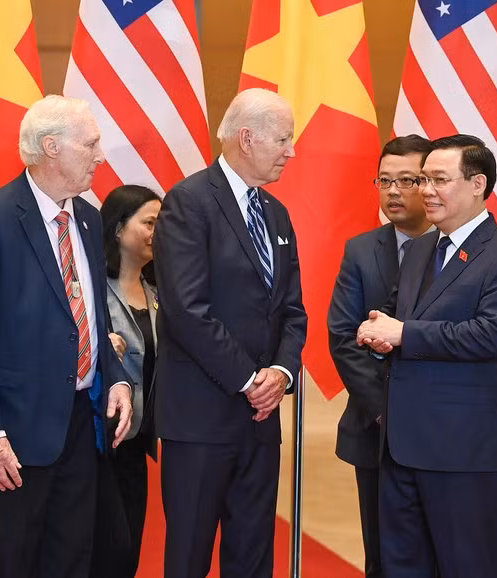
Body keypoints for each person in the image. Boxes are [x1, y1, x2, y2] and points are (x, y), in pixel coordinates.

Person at [0, 95, 132, 578]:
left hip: (78, 425)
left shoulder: (89, 219)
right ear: (52, 147)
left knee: (71, 559)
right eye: (90, 144)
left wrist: (114, 379)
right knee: (11, 562)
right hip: (12, 431)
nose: (100, 155)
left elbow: (94, 318)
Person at [357, 134, 497, 577]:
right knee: (401, 566)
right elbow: (399, 317)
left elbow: (490, 336)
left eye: (439, 179)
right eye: (424, 180)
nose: (426, 191)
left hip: (463, 453)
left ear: (477, 184)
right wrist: (379, 333)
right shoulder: (421, 248)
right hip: (400, 448)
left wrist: (403, 334)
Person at [152, 88, 308, 578]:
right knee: (190, 555)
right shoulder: (189, 201)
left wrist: (280, 373)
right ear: (247, 138)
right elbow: (186, 310)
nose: (291, 150)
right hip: (200, 420)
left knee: (253, 553)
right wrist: (250, 381)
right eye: (283, 139)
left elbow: (292, 310)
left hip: (259, 423)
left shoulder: (277, 213)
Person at [327, 134, 433, 578]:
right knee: (384, 558)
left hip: (444, 427)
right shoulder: (361, 249)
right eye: (384, 180)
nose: (393, 191)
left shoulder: (464, 253)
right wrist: (385, 410)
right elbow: (343, 334)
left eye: (406, 180)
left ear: (430, 184)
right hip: (377, 429)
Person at [89, 185, 162, 578]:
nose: (157, 231)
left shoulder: (159, 293)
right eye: (149, 222)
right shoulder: (91, 291)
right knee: (105, 551)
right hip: (97, 443)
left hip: (136, 444)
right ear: (118, 229)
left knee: (128, 551)